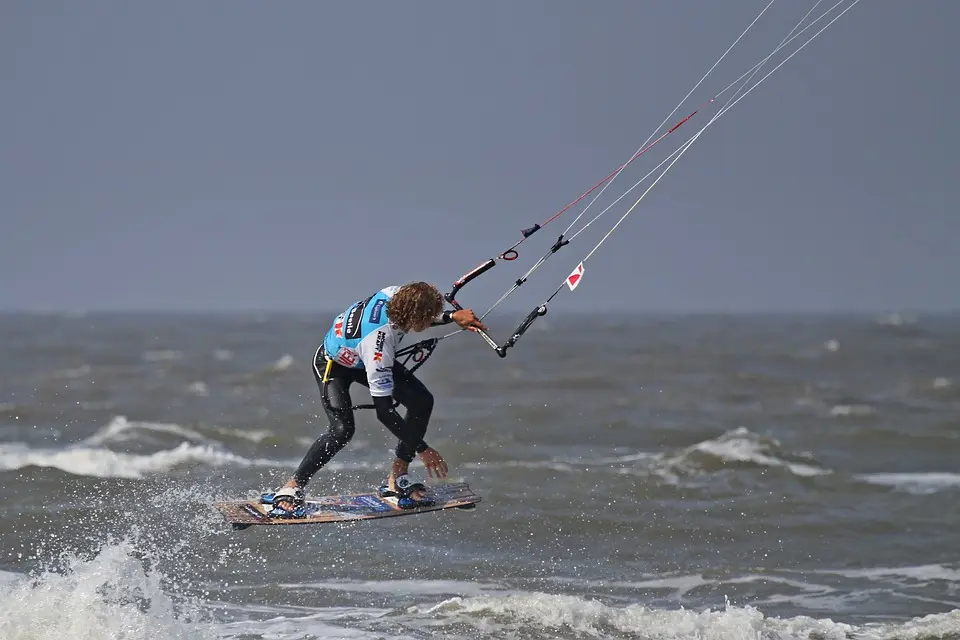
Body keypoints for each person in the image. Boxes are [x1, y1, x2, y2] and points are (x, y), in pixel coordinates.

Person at [267, 281, 488, 517]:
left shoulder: (394, 293)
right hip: (334, 364)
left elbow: (419, 314)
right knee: (342, 430)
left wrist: (452, 316)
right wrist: (423, 449)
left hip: (361, 355)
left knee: (422, 400)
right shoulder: (378, 347)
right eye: (426, 318)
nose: (428, 322)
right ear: (412, 316)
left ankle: (397, 477)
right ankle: (292, 486)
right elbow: (384, 413)